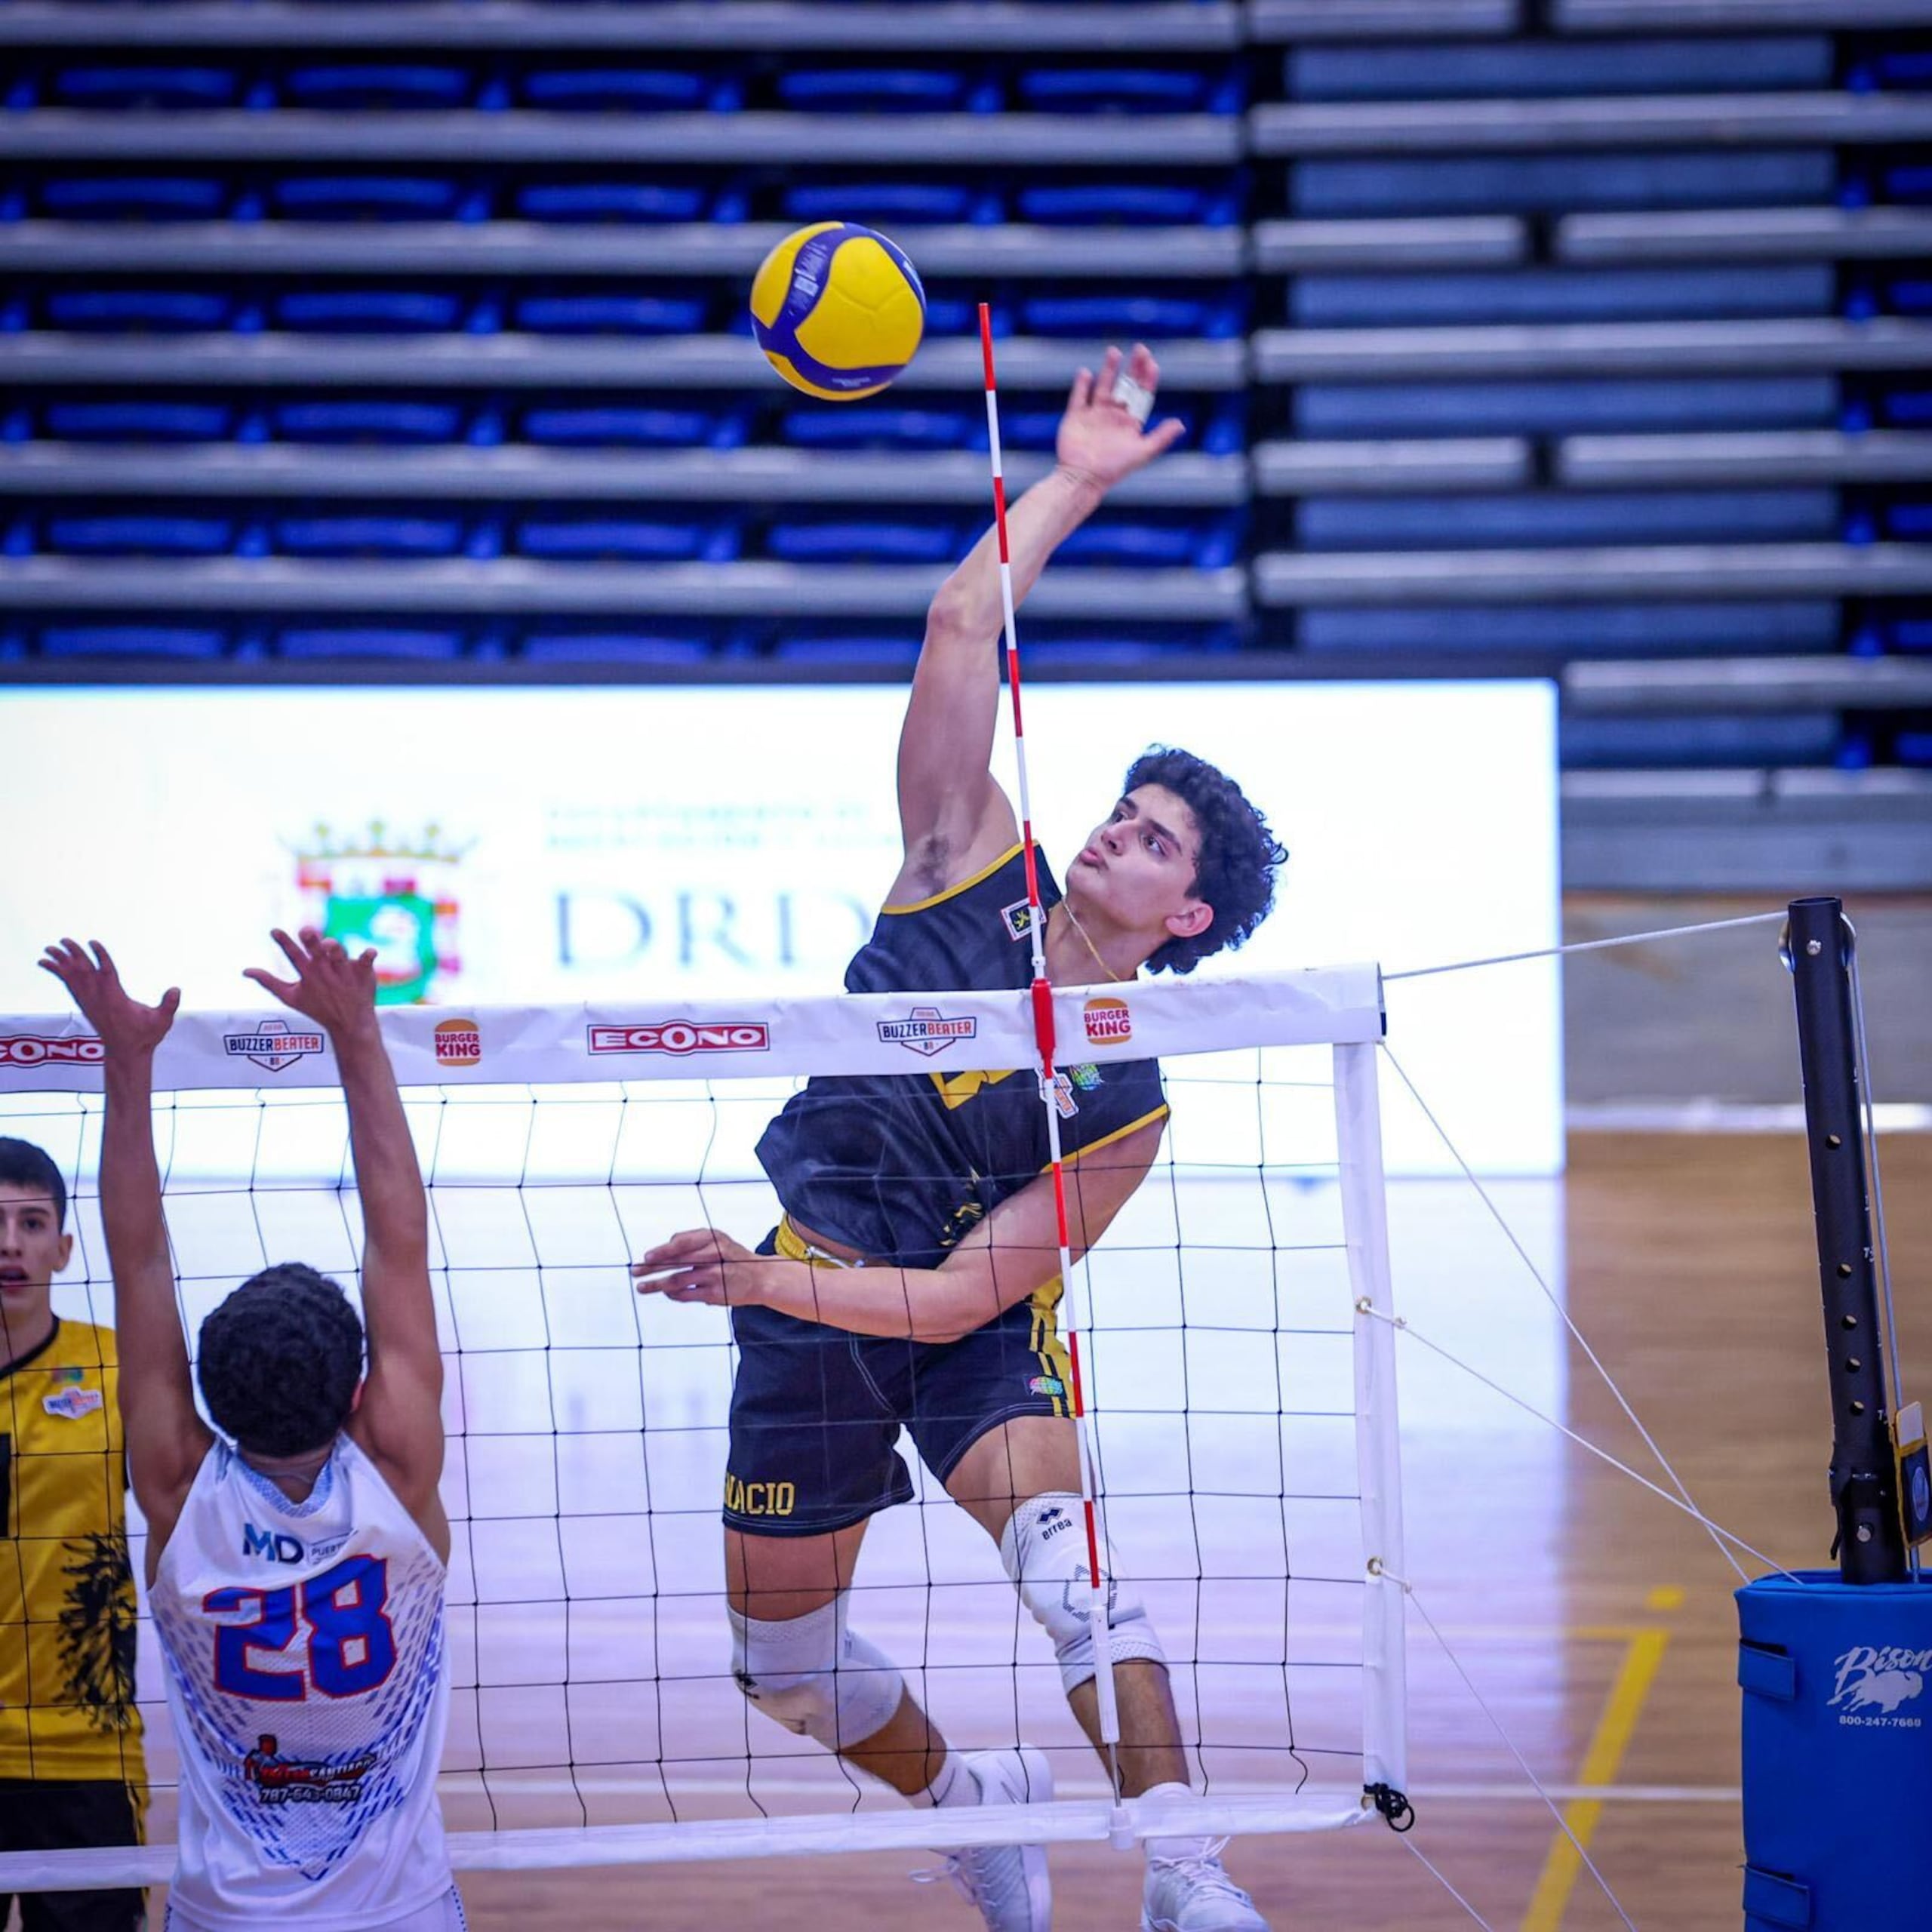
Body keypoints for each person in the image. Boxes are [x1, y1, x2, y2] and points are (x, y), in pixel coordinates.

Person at [633, 346, 1287, 1932]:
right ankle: (964, 1793)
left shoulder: (1128, 1098)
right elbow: (956, 626)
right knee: (780, 1668)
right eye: (1121, 808)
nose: (1117, 829)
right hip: (810, 1287)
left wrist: (756, 1285)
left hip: (972, 1335)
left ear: (1183, 914)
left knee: (1074, 1569)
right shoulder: (964, 855)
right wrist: (1077, 476)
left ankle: (1181, 1863)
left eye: (1154, 837)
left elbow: (952, 1301)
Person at [40, 931, 460, 1932]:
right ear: (360, 1392)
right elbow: (398, 1237)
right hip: (398, 1911)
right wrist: (358, 1035)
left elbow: (137, 1263)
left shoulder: (179, 1490)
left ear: (208, 1401)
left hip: (228, 1913)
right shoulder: (397, 1475)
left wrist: (126, 1063)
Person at [0, 1135, 146, 1932]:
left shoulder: (114, 1370)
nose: (9, 1243)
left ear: (62, 1245)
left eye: (31, 1221)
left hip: (84, 1754)